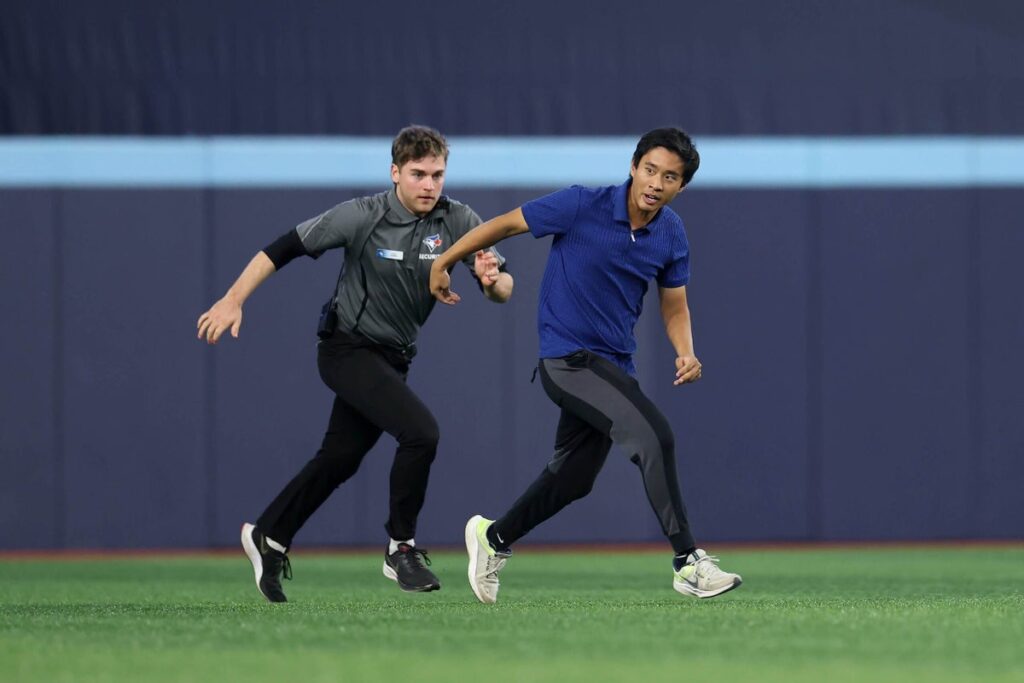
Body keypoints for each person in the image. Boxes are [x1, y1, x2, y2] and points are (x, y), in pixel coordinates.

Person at [196, 125, 513, 602]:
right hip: (347, 349)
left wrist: (491, 281)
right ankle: (400, 548)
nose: (429, 184)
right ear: (395, 173)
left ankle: (269, 535)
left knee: (340, 458)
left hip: (394, 359)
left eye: (437, 174)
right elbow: (283, 248)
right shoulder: (363, 215)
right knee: (421, 432)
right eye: (418, 174)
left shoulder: (458, 219)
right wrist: (233, 298)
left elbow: (504, 289)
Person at [429, 127, 741, 602]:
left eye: (670, 176)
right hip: (567, 360)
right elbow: (505, 225)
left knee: (572, 479)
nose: (656, 182)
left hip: (614, 366)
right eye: (651, 169)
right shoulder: (582, 205)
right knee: (655, 435)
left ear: (682, 186)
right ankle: (687, 563)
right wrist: (447, 259)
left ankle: (491, 540)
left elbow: (674, 305)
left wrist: (686, 349)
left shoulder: (671, 233)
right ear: (634, 166)